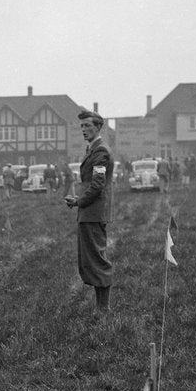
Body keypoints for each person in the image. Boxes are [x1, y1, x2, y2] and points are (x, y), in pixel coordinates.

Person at [65, 110, 114, 315]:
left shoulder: (100, 151)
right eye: (82, 126)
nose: (84, 130)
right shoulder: (93, 150)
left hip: (93, 212)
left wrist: (78, 201)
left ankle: (104, 309)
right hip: (90, 212)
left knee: (96, 259)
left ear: (98, 127)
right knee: (91, 260)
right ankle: (101, 308)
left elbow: (97, 185)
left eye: (88, 126)